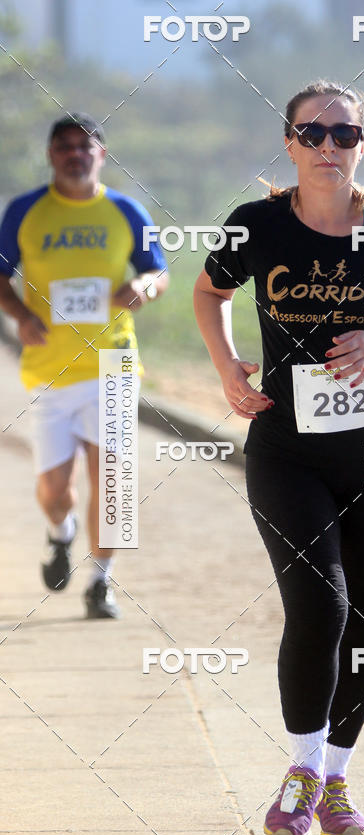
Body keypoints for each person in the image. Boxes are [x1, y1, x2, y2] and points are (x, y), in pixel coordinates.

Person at [193, 80, 364, 835]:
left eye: (344, 135)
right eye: (313, 134)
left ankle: (336, 780)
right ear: (289, 142)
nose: (328, 147)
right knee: (321, 608)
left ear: (362, 145)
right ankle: (302, 767)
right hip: (286, 451)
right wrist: (226, 368)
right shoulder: (257, 226)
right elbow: (208, 293)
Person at [0, 113, 168, 618]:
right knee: (56, 490)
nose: (76, 154)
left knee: (113, 479)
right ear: (52, 155)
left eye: (85, 146)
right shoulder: (25, 212)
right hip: (51, 368)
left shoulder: (126, 210)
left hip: (114, 364)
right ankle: (60, 532)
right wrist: (22, 316)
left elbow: (157, 270)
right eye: (65, 146)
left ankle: (102, 581)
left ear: (102, 154)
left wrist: (143, 287)